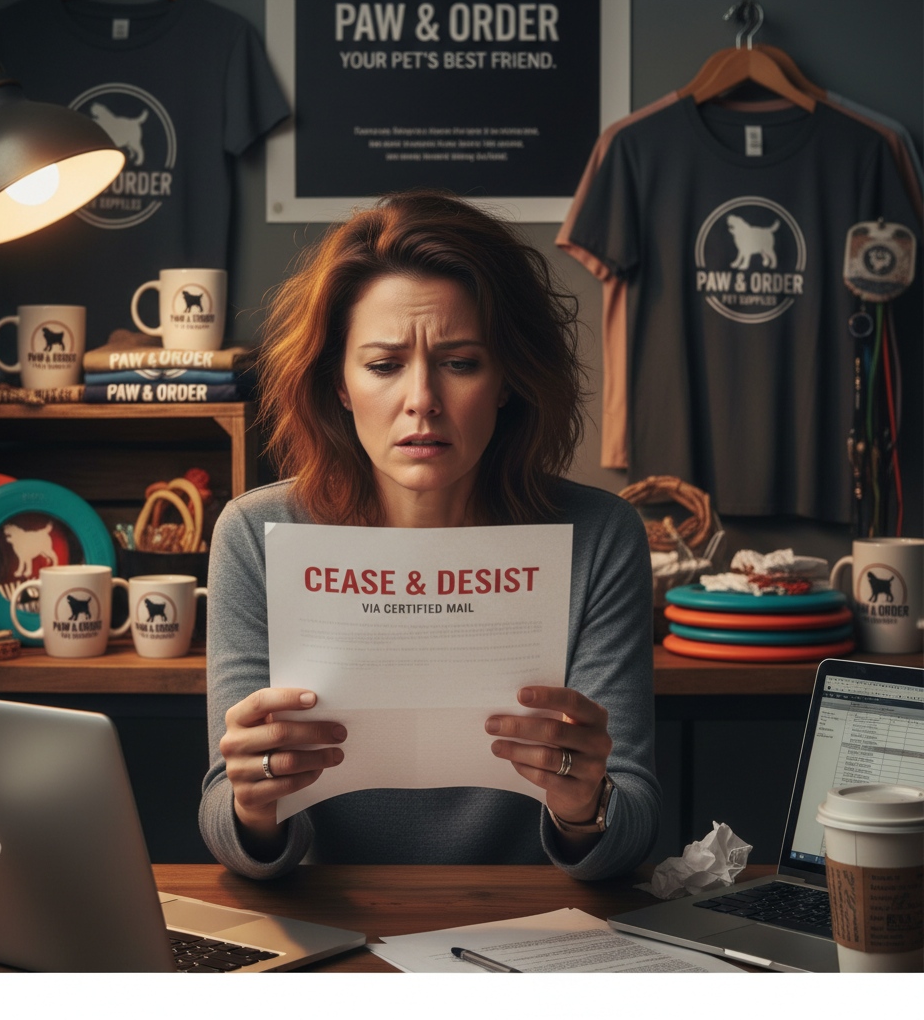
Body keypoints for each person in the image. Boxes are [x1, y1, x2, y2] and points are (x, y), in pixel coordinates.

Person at [200, 190, 659, 880]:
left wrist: (583, 804)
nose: (422, 400)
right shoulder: (257, 533)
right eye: (384, 365)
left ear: (506, 379)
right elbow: (225, 821)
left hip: (532, 928)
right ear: (341, 385)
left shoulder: (599, 537)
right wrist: (253, 807)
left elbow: (631, 832)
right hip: (327, 924)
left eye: (461, 362)